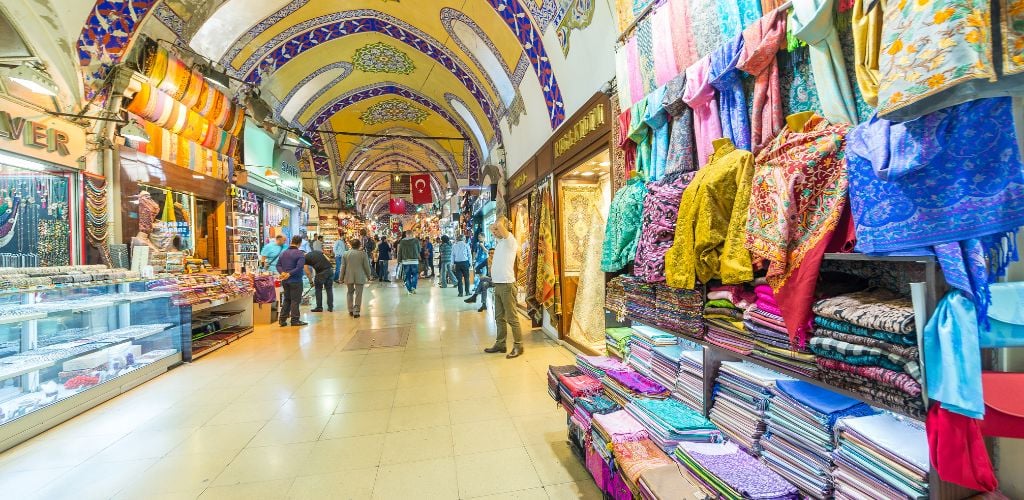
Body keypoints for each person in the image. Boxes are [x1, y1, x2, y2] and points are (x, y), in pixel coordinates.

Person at [484, 217, 522, 358]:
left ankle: (518, 346)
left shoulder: (510, 240)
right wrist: (494, 226)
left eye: (497, 228)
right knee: (499, 317)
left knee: (512, 318)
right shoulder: (500, 242)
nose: (494, 231)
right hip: (498, 284)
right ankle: (501, 344)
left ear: (504, 228)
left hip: (507, 284)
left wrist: (501, 222)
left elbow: (500, 224)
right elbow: (491, 228)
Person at [276, 235, 308, 327]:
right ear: (300, 243)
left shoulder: (283, 253)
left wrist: (282, 273)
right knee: (295, 300)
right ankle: (295, 320)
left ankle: (282, 320)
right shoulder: (300, 254)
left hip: (285, 281)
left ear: (291, 242)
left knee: (287, 299)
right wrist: (289, 274)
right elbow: (299, 267)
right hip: (296, 280)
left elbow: (278, 265)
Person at [340, 239, 373, 317]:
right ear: (359, 245)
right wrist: (369, 275)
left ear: (351, 245)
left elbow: (343, 267)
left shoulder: (345, 254)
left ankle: (350, 309)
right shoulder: (363, 254)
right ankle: (356, 311)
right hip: (360, 276)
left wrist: (341, 278)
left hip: (348, 276)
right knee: (359, 294)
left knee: (349, 292)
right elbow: (366, 266)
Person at [303, 247, 333, 312]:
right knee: (329, 289)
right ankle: (330, 307)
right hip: (330, 270)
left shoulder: (304, 258)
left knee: (318, 289)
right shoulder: (316, 251)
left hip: (321, 273)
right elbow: (328, 259)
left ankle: (319, 307)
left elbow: (307, 272)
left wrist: (311, 282)